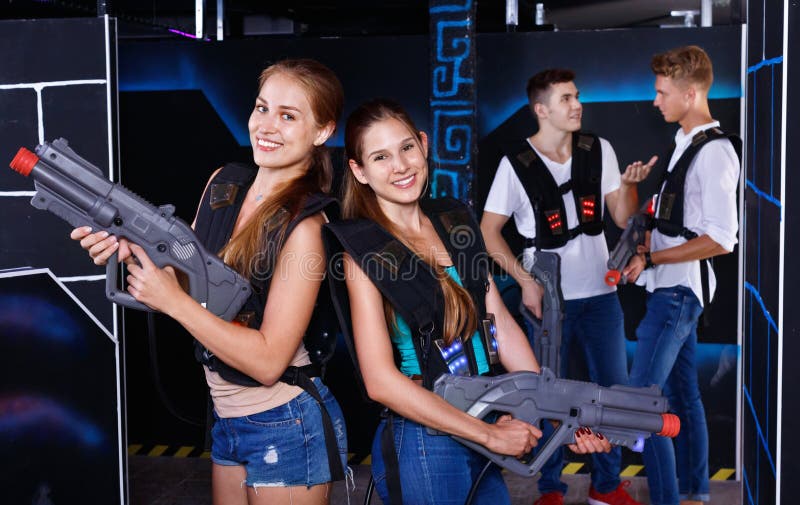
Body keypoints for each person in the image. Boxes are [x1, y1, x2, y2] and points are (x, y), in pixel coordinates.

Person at [71, 59, 348, 505]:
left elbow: (268, 361)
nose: (267, 125)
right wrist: (125, 250)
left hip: (286, 420)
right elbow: (187, 280)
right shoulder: (225, 184)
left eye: (288, 115)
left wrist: (173, 301)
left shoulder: (307, 229)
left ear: (322, 131)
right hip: (228, 416)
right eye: (262, 108)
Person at [327, 98, 610, 505]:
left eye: (407, 147)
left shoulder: (454, 221)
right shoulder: (365, 252)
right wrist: (490, 434)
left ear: (423, 144)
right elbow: (380, 381)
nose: (401, 166)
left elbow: (500, 323)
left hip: (483, 416)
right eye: (380, 156)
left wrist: (556, 412)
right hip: (426, 436)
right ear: (360, 171)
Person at [480, 68, 654, 505]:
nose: (577, 105)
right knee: (547, 396)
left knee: (610, 393)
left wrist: (630, 189)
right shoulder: (515, 164)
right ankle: (550, 488)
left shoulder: (600, 150)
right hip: (548, 303)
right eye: (565, 99)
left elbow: (620, 218)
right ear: (541, 110)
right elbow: (488, 232)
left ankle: (606, 486)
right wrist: (525, 282)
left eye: (577, 96)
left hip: (600, 298)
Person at [622, 46, 740, 505]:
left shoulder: (714, 153)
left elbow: (721, 239)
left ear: (689, 94)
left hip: (678, 295)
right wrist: (648, 243)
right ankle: (696, 493)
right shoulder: (686, 142)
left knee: (641, 406)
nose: (655, 101)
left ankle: (672, 498)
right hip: (675, 290)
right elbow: (682, 224)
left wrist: (652, 261)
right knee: (681, 395)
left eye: (661, 92)